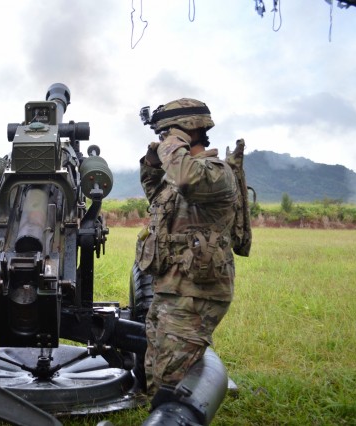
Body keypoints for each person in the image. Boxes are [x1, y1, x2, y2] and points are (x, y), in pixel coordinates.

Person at [135, 99, 238, 398]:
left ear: (187, 131)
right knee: (157, 369)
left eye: (166, 133)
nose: (163, 140)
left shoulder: (214, 172)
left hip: (196, 293)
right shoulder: (178, 178)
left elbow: (186, 178)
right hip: (171, 288)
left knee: (171, 380)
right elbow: (156, 194)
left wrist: (173, 143)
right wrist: (152, 163)